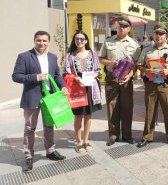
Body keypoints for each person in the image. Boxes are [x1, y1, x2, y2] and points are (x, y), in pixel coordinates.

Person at [12, 30, 67, 173]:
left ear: (48, 42)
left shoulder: (53, 57)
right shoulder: (24, 56)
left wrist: (63, 86)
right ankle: (29, 157)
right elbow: (16, 76)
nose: (41, 43)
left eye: (44, 41)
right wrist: (36, 77)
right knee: (30, 128)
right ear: (34, 41)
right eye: (39, 40)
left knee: (49, 126)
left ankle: (50, 151)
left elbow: (56, 75)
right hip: (32, 97)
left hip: (50, 98)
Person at [136, 23, 168, 148]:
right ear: (153, 35)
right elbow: (139, 64)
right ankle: (147, 136)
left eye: (161, 34)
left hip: (166, 85)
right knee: (150, 111)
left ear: (166, 36)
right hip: (151, 84)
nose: (159, 36)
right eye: (157, 33)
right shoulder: (147, 50)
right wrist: (145, 71)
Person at [99, 16, 141, 146]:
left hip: (126, 79)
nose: (121, 28)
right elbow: (101, 58)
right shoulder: (108, 41)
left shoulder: (134, 44)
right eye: (120, 26)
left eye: (124, 26)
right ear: (116, 27)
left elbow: (136, 63)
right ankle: (113, 135)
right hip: (112, 77)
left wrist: (129, 75)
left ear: (129, 28)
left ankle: (127, 135)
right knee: (112, 106)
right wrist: (110, 62)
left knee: (127, 107)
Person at [64, 31, 102, 153]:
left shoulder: (93, 54)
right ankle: (79, 141)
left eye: (82, 39)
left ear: (86, 40)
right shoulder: (70, 55)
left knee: (88, 115)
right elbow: (66, 72)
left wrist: (93, 76)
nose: (79, 41)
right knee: (78, 116)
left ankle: (86, 141)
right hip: (77, 88)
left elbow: (98, 70)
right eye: (77, 39)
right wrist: (76, 78)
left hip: (90, 88)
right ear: (74, 41)